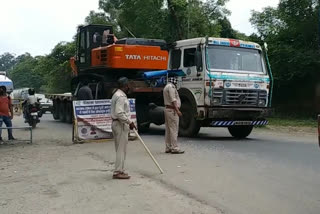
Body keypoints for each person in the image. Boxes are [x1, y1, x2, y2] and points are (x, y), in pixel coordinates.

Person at [111, 77, 136, 179]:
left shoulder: (117, 94)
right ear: (125, 86)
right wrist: (129, 122)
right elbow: (119, 112)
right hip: (120, 124)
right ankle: (118, 172)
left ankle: (120, 169)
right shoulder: (121, 96)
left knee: (119, 149)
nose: (129, 87)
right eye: (128, 85)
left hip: (117, 124)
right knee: (121, 150)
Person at [163, 77, 184, 154]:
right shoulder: (171, 87)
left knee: (168, 130)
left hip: (168, 109)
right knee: (174, 129)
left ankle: (168, 147)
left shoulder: (166, 86)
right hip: (172, 110)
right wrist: (177, 110)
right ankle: (174, 148)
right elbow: (173, 99)